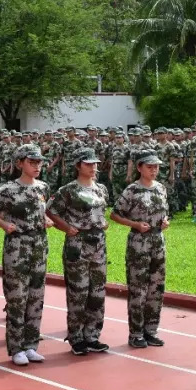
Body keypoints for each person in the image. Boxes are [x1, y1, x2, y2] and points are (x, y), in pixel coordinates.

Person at [0, 144, 51, 366]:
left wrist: (46, 220)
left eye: (39, 162)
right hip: (17, 246)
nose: (37, 166)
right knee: (17, 298)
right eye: (32, 162)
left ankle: (31, 344)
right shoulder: (8, 189)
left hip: (39, 245)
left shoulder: (43, 187)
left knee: (36, 296)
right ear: (19, 163)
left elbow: (43, 211)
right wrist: (4, 224)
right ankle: (16, 348)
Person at [46, 148, 110, 357]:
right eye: (89, 164)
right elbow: (50, 210)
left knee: (97, 292)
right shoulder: (69, 190)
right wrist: (66, 227)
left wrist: (102, 222)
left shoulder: (101, 189)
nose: (93, 167)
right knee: (78, 292)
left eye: (95, 164)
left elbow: (101, 211)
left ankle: (92, 335)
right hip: (78, 244)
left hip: (98, 243)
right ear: (78, 165)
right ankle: (76, 337)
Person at [110, 152, 169, 349]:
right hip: (138, 243)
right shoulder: (132, 191)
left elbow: (163, 211)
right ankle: (136, 333)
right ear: (139, 168)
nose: (154, 170)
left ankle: (151, 331)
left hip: (158, 241)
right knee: (138, 289)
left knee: (156, 288)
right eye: (150, 166)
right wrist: (134, 224)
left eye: (157, 167)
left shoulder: (161, 188)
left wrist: (165, 222)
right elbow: (115, 214)